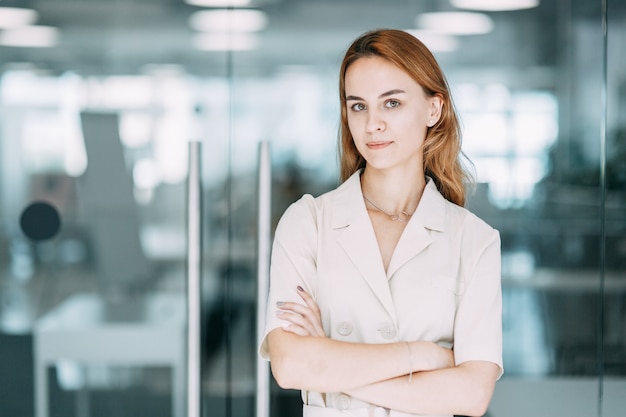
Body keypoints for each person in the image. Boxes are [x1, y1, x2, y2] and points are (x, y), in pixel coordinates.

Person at [259, 28, 503, 417]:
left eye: (391, 103)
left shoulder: (474, 240)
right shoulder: (308, 222)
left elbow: (472, 395)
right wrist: (423, 356)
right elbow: (290, 367)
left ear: (433, 109)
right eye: (358, 106)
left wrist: (330, 365)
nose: (372, 124)